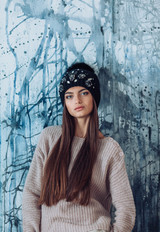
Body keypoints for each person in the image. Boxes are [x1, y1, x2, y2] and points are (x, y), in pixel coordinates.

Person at [22, 62, 136, 232]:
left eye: (84, 93)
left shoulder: (109, 150)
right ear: (65, 103)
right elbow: (32, 193)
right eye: (69, 96)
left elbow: (126, 208)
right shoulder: (49, 138)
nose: (77, 100)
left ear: (94, 97)